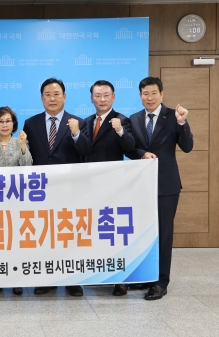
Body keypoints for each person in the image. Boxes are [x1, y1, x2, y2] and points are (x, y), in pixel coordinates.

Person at [23, 77, 92, 297]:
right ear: (41, 98)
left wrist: (76, 133)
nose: (52, 99)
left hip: (70, 189)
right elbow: (28, 158)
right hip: (41, 190)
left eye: (56, 94)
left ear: (64, 96)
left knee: (69, 234)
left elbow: (86, 152)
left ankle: (72, 280)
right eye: (47, 95)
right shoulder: (30, 123)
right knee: (44, 233)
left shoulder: (78, 122)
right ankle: (47, 279)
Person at [129, 76, 193, 300]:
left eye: (154, 93)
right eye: (145, 94)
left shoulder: (174, 117)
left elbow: (187, 147)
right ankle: (147, 277)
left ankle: (161, 282)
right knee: (144, 234)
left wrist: (183, 123)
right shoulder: (134, 119)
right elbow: (131, 148)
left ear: (162, 94)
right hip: (141, 186)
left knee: (164, 235)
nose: (150, 97)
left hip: (166, 185)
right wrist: (141, 154)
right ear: (140, 96)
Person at [84, 80, 135, 296]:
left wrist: (121, 131)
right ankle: (100, 273)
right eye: (98, 95)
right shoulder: (86, 122)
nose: (102, 99)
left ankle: (121, 280)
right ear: (91, 98)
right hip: (90, 187)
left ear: (113, 97)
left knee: (114, 233)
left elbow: (131, 148)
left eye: (106, 95)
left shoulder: (122, 120)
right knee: (96, 232)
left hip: (114, 187)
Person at [0, 106, 32, 296]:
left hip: (16, 199)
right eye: (0, 121)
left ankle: (16, 280)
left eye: (8, 121)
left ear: (13, 124)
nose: (4, 125)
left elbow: (28, 166)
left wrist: (22, 145)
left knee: (15, 241)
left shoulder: (21, 141)